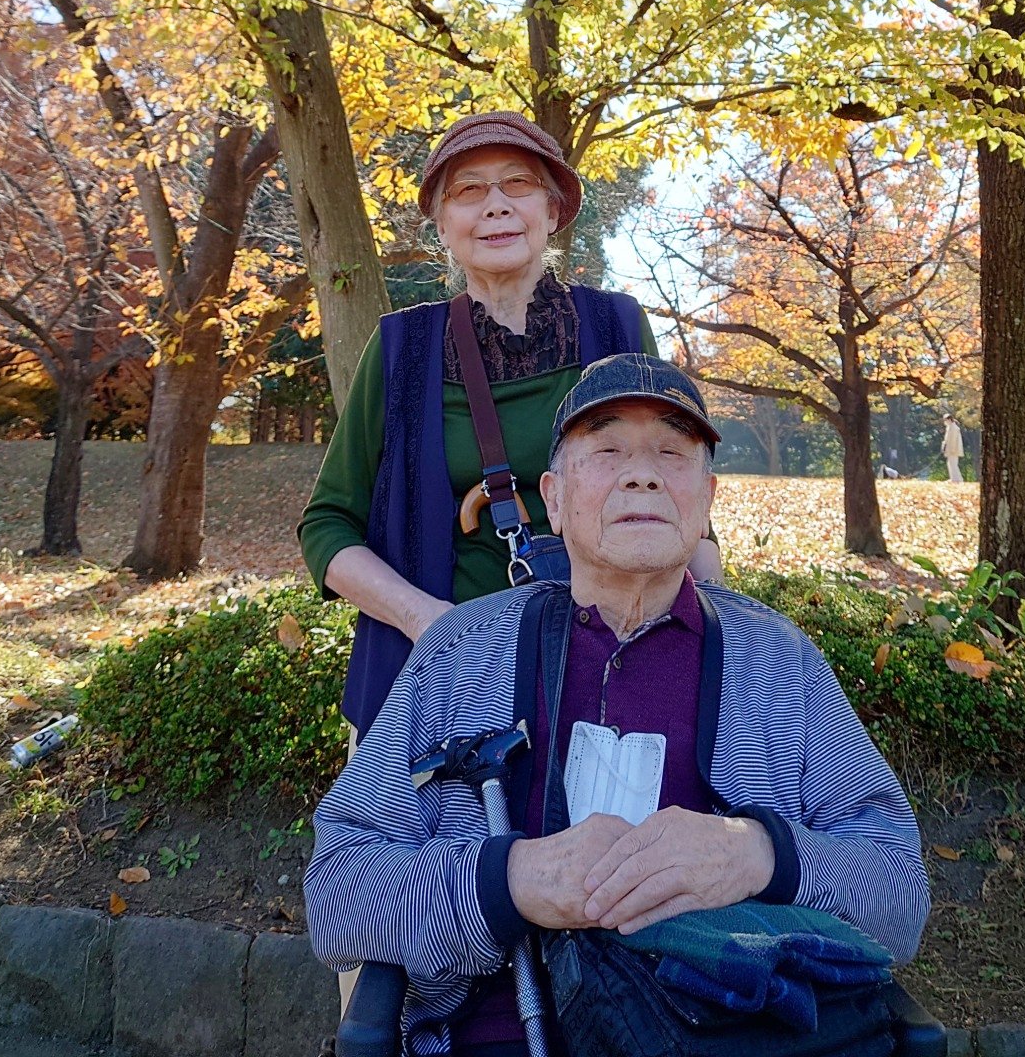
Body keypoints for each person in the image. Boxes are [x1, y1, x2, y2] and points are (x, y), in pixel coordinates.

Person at [305, 354, 930, 1057]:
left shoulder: (779, 663)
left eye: (672, 451)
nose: (643, 473)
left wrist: (762, 857)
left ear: (707, 498)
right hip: (502, 1033)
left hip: (730, 1033)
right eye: (606, 450)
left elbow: (899, 895)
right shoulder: (462, 653)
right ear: (555, 496)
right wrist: (511, 881)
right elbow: (339, 893)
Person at [298, 110, 721, 737]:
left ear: (551, 212)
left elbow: (679, 494)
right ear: (443, 225)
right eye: (468, 190)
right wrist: (428, 623)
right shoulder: (399, 350)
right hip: (440, 680)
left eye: (518, 184)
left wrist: (721, 625)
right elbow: (328, 526)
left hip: (612, 670)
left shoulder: (618, 327)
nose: (495, 205)